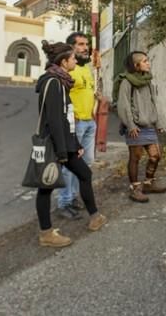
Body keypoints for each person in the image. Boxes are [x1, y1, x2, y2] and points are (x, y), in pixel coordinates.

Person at [35, 41, 106, 247]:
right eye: (73, 58)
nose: (76, 60)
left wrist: (74, 143)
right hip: (56, 144)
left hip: (65, 143)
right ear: (64, 62)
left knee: (84, 174)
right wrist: (63, 151)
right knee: (45, 187)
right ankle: (47, 234)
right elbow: (55, 120)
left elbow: (66, 118)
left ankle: (95, 217)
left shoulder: (60, 81)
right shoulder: (53, 83)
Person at [115, 51, 166, 202]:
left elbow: (152, 102)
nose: (148, 63)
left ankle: (149, 183)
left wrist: (158, 123)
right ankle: (135, 188)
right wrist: (130, 125)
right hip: (135, 126)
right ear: (136, 65)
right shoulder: (126, 82)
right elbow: (123, 105)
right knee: (135, 158)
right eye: (145, 61)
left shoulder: (147, 81)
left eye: (148, 60)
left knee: (155, 155)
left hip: (148, 124)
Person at [56, 32, 96, 220]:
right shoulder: (68, 69)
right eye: (80, 44)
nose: (85, 47)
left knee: (85, 165)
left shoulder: (85, 68)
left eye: (86, 44)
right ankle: (64, 202)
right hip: (76, 123)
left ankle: (73, 197)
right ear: (71, 47)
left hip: (89, 122)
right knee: (69, 166)